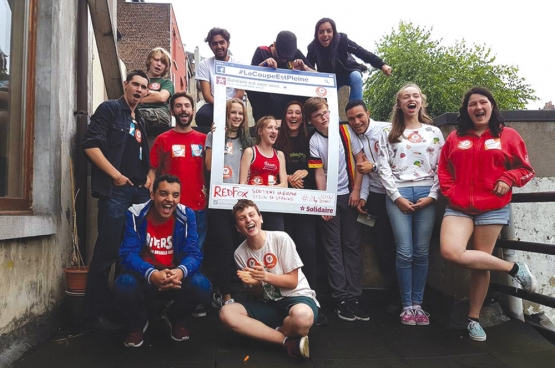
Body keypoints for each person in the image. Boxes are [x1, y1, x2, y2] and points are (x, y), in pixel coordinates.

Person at [439, 87, 536, 342]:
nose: (478, 107)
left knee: (480, 265)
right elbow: (443, 169)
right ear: (466, 110)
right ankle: (514, 268)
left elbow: (526, 169)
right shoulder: (455, 138)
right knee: (450, 251)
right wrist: (451, 191)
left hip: (492, 208)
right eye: (473, 104)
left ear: (492, 106)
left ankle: (473, 319)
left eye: (483, 102)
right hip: (459, 208)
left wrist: (508, 177)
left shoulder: (509, 136)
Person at [82, 70, 152, 332]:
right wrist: (116, 176)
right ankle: (93, 315)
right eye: (135, 84)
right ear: (126, 85)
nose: (138, 89)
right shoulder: (110, 109)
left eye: (143, 87)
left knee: (128, 255)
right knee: (106, 254)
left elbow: (141, 154)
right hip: (117, 191)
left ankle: (118, 311)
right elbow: (90, 145)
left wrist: (144, 180)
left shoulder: (140, 119)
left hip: (137, 193)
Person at [114, 174, 211, 347]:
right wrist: (152, 274)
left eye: (175, 195)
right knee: (124, 283)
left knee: (202, 285)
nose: (169, 200)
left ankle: (175, 318)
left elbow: (194, 253)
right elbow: (127, 254)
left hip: (175, 280)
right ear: (153, 195)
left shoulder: (187, 215)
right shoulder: (135, 214)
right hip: (146, 278)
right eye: (164, 193)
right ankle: (138, 323)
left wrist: (179, 272)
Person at [376, 84, 444, 326]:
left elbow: (442, 167)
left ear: (421, 101)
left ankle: (418, 305)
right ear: (400, 103)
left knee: (421, 252)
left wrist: (434, 196)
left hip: (427, 193)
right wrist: (396, 197)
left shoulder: (434, 132)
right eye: (406, 96)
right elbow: (382, 166)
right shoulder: (388, 133)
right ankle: (406, 306)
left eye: (415, 95)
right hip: (398, 194)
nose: (411, 99)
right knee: (404, 252)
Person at [219, 199, 318, 359]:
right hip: (268, 304)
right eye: (242, 218)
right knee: (226, 312)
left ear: (261, 218)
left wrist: (264, 276)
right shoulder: (240, 253)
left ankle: (269, 333)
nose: (248, 220)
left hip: (297, 298)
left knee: (302, 318)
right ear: (238, 227)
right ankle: (286, 341)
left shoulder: (281, 238)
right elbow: (259, 294)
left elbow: (292, 281)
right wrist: (256, 284)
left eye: (252, 215)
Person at [306, 97, 368, 322]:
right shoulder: (314, 141)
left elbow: (361, 160)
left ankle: (355, 297)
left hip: (349, 195)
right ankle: (340, 298)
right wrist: (324, 201)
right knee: (332, 248)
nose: (323, 118)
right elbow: (319, 173)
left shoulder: (345, 131)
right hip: (330, 198)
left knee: (352, 246)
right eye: (318, 116)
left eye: (325, 113)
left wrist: (357, 191)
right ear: (311, 121)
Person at [148, 91, 208, 317]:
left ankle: (192, 300)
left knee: (195, 253)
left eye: (187, 106)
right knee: (168, 253)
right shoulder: (163, 139)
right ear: (172, 111)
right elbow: (152, 172)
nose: (184, 110)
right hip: (168, 209)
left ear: (193, 110)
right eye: (179, 106)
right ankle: (164, 298)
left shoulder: (204, 140)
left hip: (198, 207)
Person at [274, 101, 327, 326]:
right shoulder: (276, 136)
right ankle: (283, 301)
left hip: (306, 202)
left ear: (303, 118)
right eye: (289, 112)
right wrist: (287, 178)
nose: (293, 116)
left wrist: (303, 171)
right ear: (284, 116)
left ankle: (311, 299)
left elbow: (316, 165)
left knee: (308, 247)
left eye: (297, 112)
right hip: (282, 202)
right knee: (284, 251)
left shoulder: (310, 138)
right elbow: (267, 162)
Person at [345, 100, 399, 312]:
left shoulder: (387, 130)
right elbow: (363, 169)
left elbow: (398, 163)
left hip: (397, 194)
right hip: (376, 196)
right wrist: (363, 195)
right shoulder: (354, 136)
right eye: (351, 118)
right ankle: (394, 294)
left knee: (402, 247)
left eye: (360, 116)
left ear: (368, 113)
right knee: (383, 246)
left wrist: (374, 166)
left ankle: (408, 298)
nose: (356, 122)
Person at [205, 98, 253, 308]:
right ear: (226, 114)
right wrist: (217, 138)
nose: (236, 116)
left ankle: (248, 294)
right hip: (218, 201)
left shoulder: (246, 141)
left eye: (240, 113)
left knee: (240, 246)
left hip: (241, 203)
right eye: (233, 112)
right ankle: (224, 295)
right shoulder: (213, 135)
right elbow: (208, 165)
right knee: (223, 247)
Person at [307, 18, 392, 101]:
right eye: (321, 32)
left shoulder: (342, 40)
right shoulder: (312, 48)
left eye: (329, 31)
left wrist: (381, 65)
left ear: (334, 32)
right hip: (329, 80)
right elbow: (307, 67)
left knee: (356, 77)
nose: (325, 35)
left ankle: (356, 107)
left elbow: (361, 52)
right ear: (316, 34)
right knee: (324, 101)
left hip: (348, 72)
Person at [247, 31, 314, 122]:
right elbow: (249, 81)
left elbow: (318, 78)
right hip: (266, 102)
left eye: (287, 58)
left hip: (288, 102)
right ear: (274, 45)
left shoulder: (296, 54)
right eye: (281, 57)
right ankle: (262, 121)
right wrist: (262, 66)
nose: (284, 60)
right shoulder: (261, 51)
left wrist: (304, 68)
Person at [239, 116, 288, 230]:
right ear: (260, 131)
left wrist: (265, 191)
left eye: (276, 128)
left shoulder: (279, 155)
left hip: (273, 206)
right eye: (269, 127)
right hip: (253, 207)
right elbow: (242, 183)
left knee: (276, 239)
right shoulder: (250, 152)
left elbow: (284, 184)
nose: (274, 131)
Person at [195, 28, 244, 127]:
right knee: (202, 115)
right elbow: (207, 95)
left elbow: (240, 92)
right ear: (210, 46)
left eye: (222, 42)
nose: (219, 46)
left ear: (228, 44)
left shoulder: (238, 64)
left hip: (234, 103)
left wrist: (230, 106)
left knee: (238, 115)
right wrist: (221, 106)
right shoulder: (204, 65)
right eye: (214, 43)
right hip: (214, 104)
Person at [137, 47, 175, 140]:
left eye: (163, 63)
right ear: (150, 61)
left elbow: (162, 97)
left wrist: (139, 99)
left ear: (166, 68)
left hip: (160, 113)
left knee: (132, 116)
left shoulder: (167, 83)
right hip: (138, 113)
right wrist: (153, 95)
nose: (159, 64)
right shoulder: (139, 79)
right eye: (157, 60)